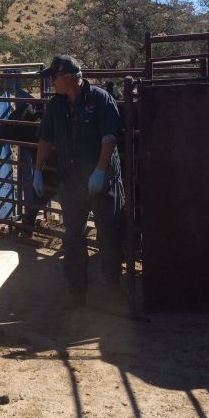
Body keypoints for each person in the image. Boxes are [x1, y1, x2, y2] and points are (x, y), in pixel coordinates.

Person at [33, 55, 125, 308]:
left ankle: (113, 288)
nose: (52, 82)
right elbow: (45, 138)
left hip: (103, 181)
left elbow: (109, 137)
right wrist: (37, 170)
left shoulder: (100, 99)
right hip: (72, 181)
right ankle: (77, 293)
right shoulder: (56, 105)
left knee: (109, 233)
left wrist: (100, 170)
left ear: (69, 78)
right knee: (73, 236)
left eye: (54, 77)